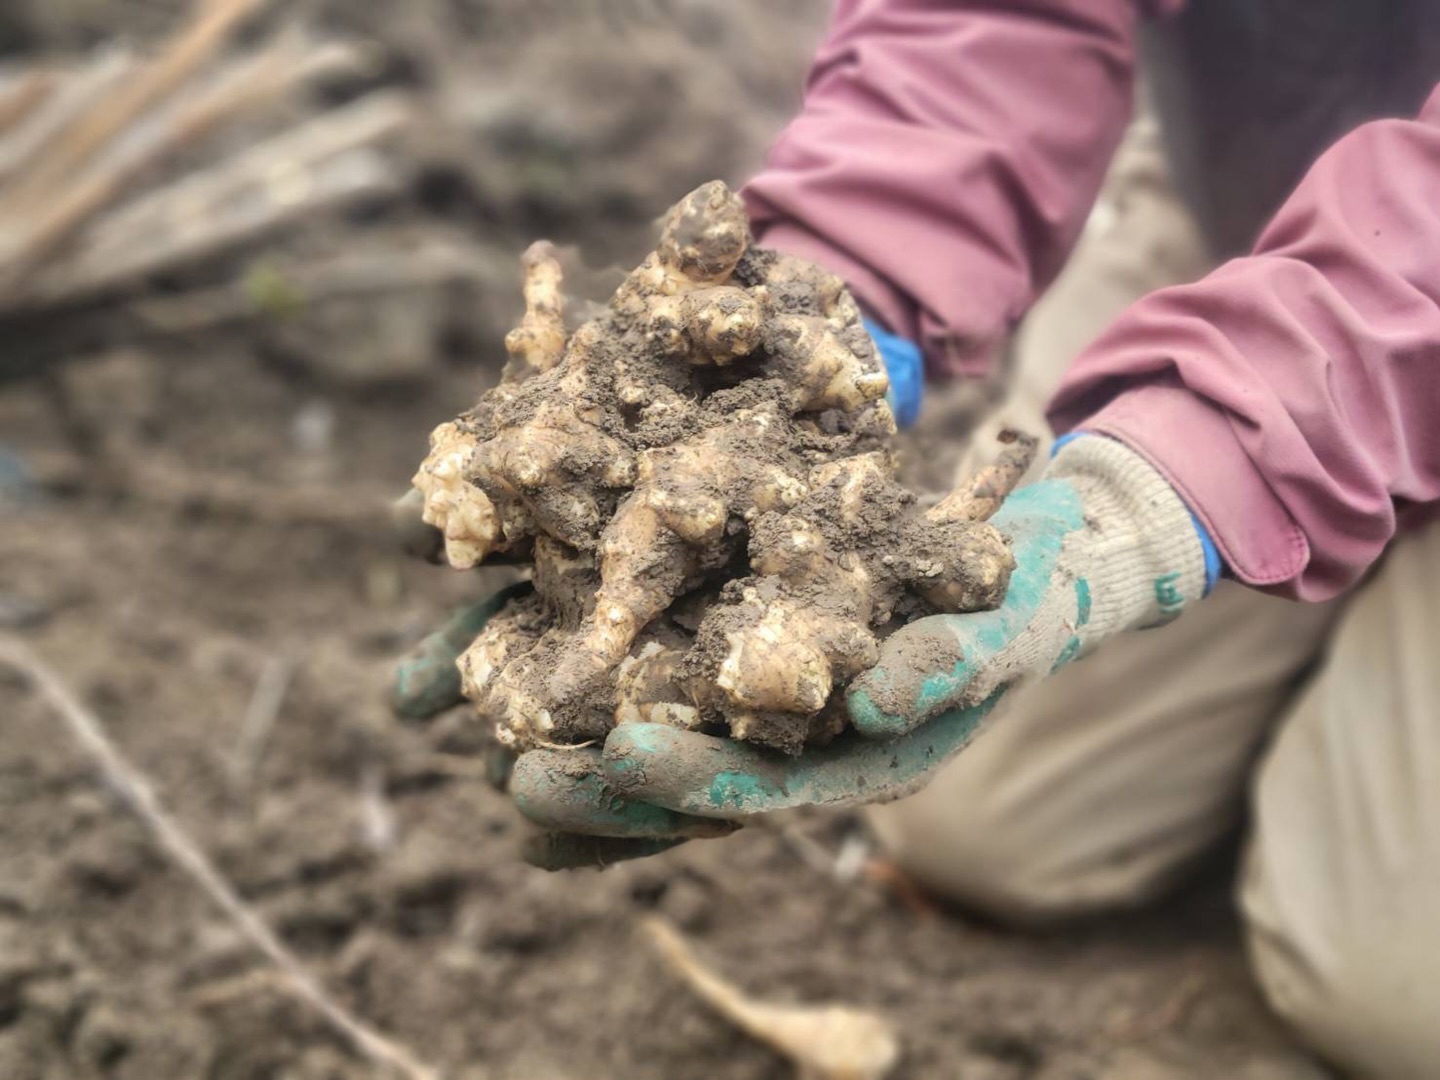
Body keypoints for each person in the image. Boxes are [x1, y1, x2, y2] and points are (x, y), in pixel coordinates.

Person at [396, 3, 1440, 1075]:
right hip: (1250, 205)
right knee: (983, 831)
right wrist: (832, 290)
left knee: (1387, 1004)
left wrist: (1181, 481)